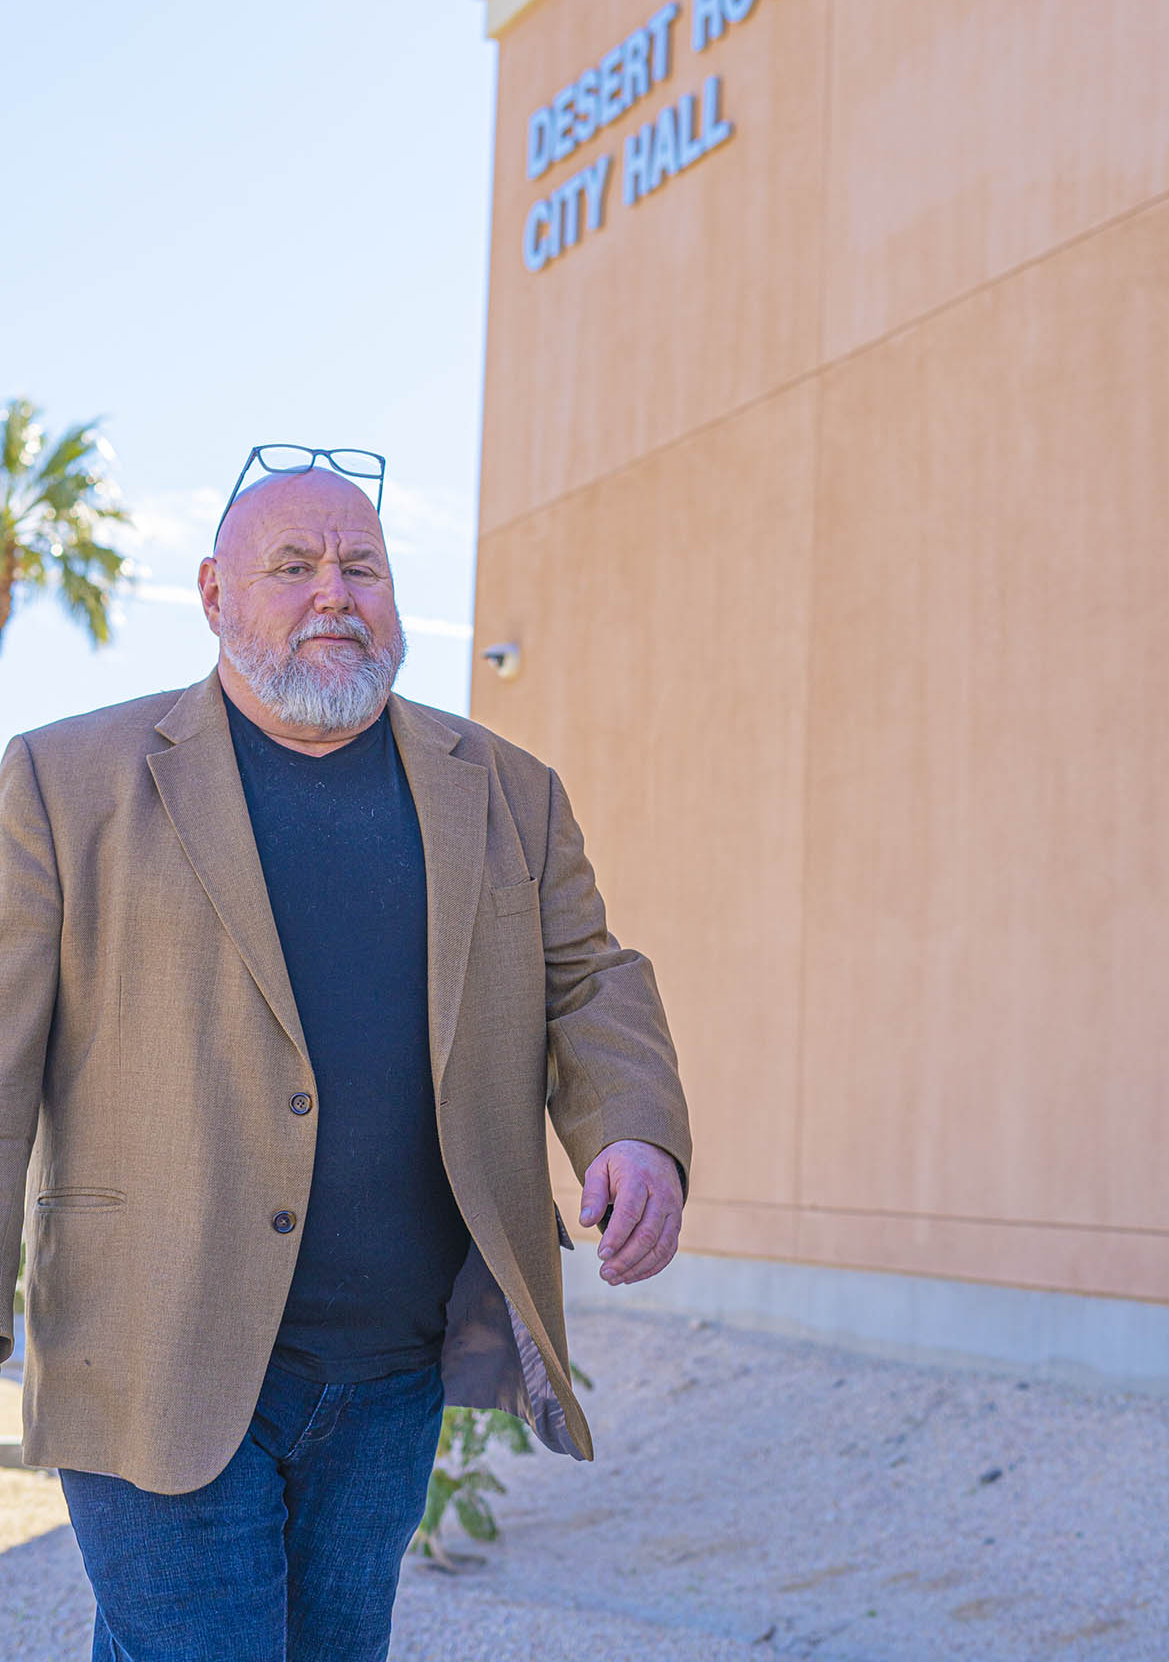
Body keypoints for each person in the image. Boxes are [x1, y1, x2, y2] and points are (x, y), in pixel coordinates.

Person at [0, 451, 691, 1662]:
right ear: (213, 593)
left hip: (388, 1370)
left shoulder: (509, 791)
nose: (335, 590)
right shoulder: (65, 783)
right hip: (150, 1344)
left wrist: (633, 1128)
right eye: (293, 564)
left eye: (361, 565)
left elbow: (588, 975)